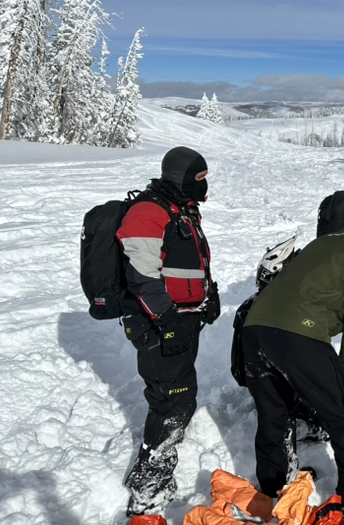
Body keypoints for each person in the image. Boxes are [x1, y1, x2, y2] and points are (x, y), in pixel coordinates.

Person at [241, 208, 344, 517]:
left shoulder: (323, 242)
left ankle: (274, 490)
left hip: (255, 330)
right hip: (298, 335)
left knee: (275, 413)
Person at [117, 146, 219, 525]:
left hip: (180, 318)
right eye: (198, 178)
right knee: (172, 403)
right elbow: (142, 276)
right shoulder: (149, 211)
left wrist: (208, 295)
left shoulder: (180, 208)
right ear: (179, 177)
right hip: (159, 323)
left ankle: (154, 476)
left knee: (177, 396)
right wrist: (167, 318)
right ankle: (147, 493)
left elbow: (188, 264)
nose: (204, 185)